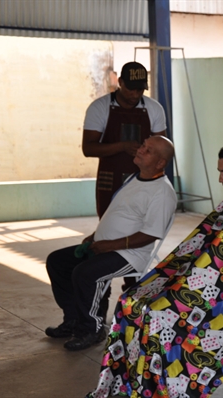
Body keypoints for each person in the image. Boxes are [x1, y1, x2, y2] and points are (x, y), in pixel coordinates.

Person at [86, 142, 223, 398]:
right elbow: (201, 245)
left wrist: (192, 281)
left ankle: (158, 390)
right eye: (219, 171)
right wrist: (181, 273)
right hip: (208, 282)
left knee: (155, 315)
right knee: (130, 302)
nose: (220, 179)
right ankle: (127, 385)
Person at [45, 136, 177, 351]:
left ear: (161, 163)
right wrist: (96, 236)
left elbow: (150, 234)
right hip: (105, 245)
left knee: (86, 273)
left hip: (130, 255)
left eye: (149, 150)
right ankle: (72, 321)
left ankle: (92, 329)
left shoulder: (162, 192)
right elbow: (117, 214)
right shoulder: (134, 178)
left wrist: (109, 245)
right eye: (143, 145)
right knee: (58, 261)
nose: (141, 150)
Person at [82, 61, 167, 218]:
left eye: (140, 90)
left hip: (144, 179)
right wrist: (122, 146)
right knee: (109, 224)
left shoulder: (154, 109)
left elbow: (163, 149)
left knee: (141, 224)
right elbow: (88, 149)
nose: (135, 94)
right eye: (130, 89)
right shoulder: (99, 107)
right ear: (120, 82)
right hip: (110, 179)